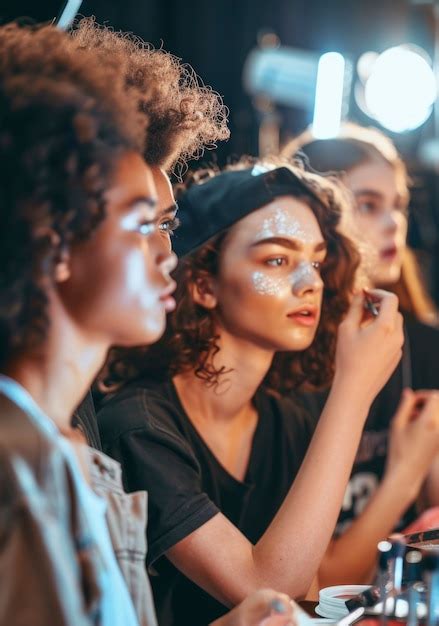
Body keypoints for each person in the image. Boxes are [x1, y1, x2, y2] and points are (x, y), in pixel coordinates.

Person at [0, 20, 293, 626]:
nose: (168, 257)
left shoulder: (69, 448)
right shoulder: (14, 465)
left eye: (168, 227)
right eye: (142, 223)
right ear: (52, 238)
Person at [98, 156, 404, 626]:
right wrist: (355, 387)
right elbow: (269, 591)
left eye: (317, 262)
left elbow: (312, 595)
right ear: (203, 284)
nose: (311, 285)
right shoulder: (140, 427)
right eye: (278, 259)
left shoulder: (285, 420)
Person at [281, 123, 439, 586]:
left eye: (399, 206)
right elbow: (317, 583)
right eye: (369, 205)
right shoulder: (284, 350)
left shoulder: (424, 345)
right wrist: (406, 473)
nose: (394, 224)